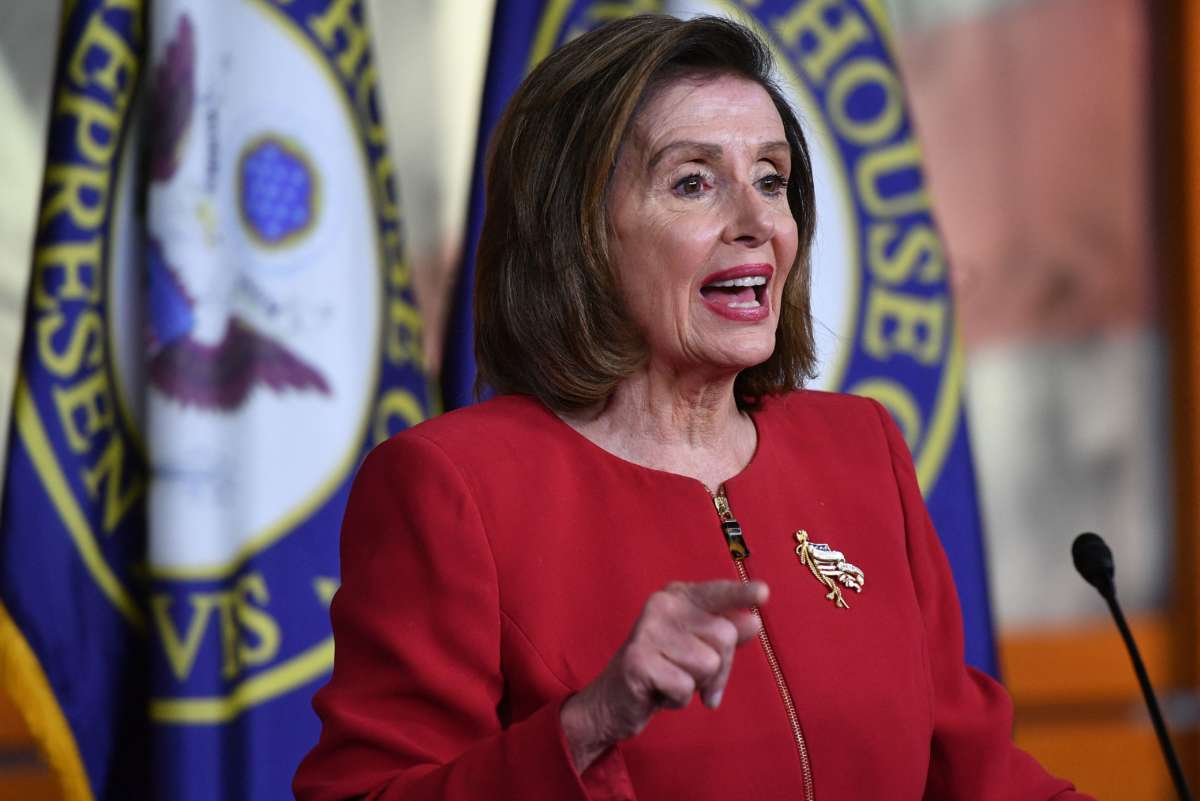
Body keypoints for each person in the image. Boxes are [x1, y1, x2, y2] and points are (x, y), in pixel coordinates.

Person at [294, 15, 1092, 801]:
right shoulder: (453, 488)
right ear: (579, 234)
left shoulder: (859, 450)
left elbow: (976, 773)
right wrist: (587, 726)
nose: (756, 225)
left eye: (772, 180)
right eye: (693, 182)